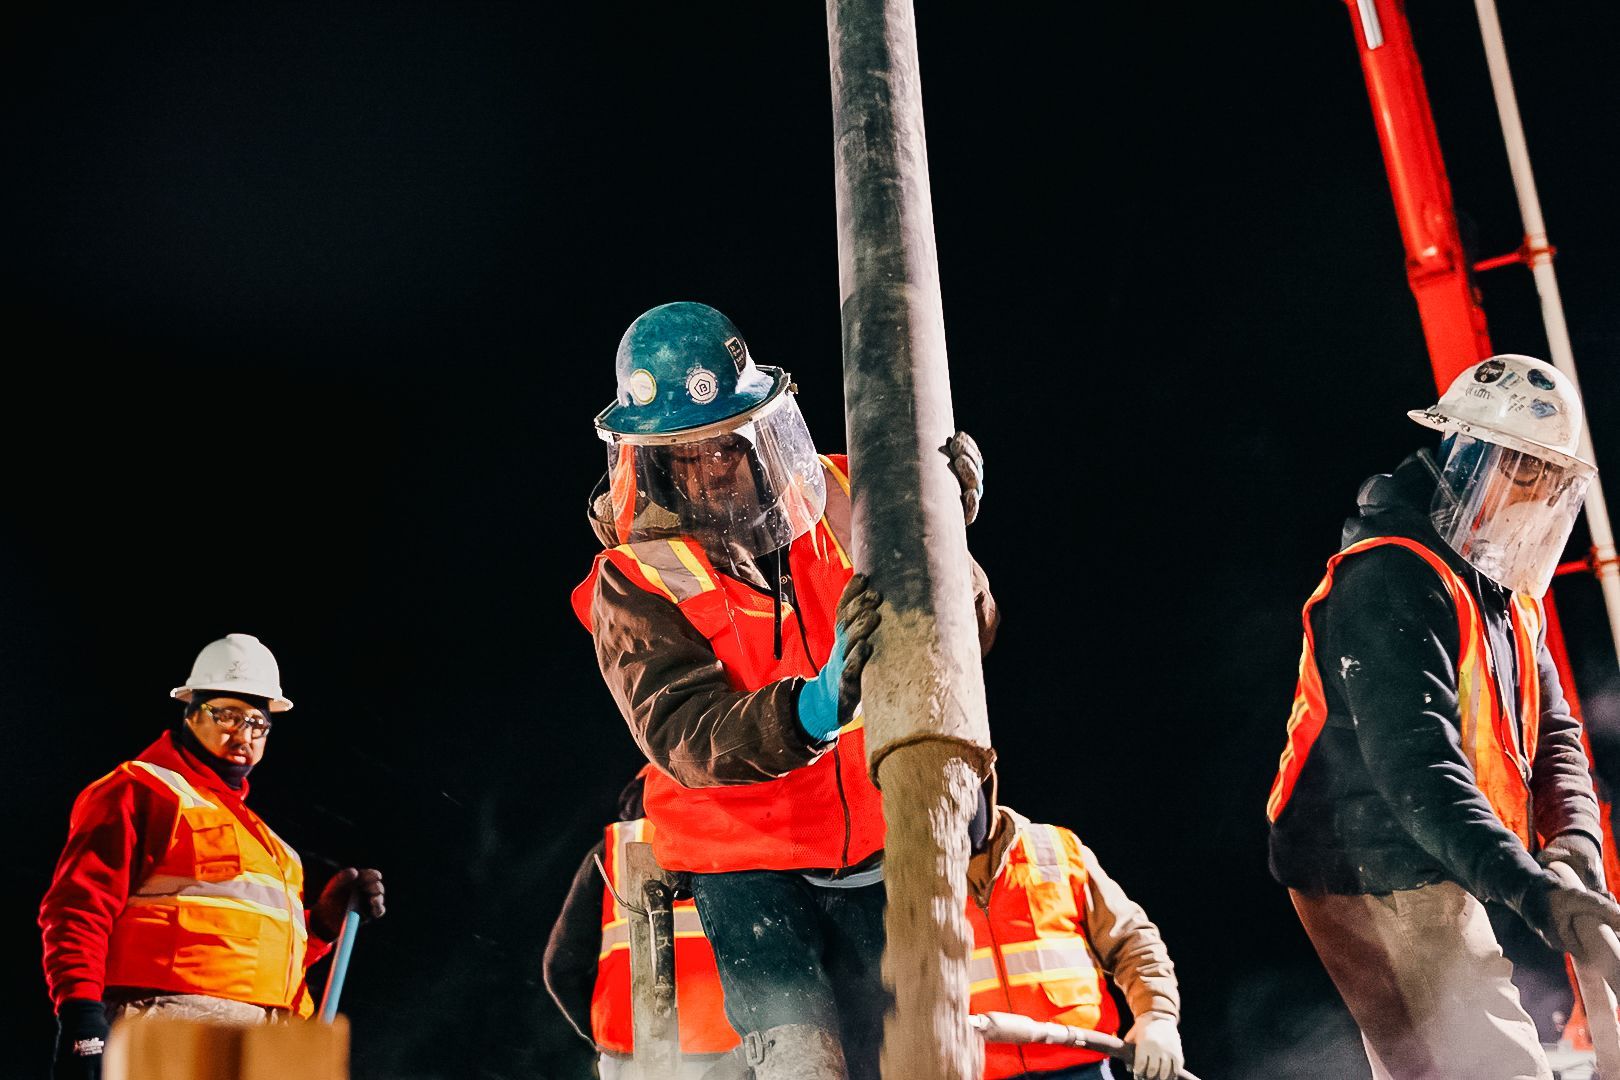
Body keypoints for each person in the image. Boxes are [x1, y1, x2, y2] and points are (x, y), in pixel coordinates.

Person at [571, 301, 997, 1079]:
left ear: (764, 433)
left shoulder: (845, 496)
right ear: (651, 461)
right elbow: (683, 730)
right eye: (684, 454)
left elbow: (960, 643)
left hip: (875, 839)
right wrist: (813, 706)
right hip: (744, 854)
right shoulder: (633, 582)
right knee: (802, 1060)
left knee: (915, 1058)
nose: (710, 470)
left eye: (727, 447)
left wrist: (941, 541)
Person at [1265, 354, 1620, 1080]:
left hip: (1437, 843)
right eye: (1532, 476)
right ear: (1477, 461)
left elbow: (1554, 737)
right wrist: (1529, 890)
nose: (1542, 500)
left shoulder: (1503, 589)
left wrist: (1576, 843)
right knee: (1487, 1063)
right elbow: (1418, 770)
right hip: (1369, 861)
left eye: (1555, 484)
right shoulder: (1389, 578)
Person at [40, 633, 387, 1080]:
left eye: (258, 723)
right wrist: (82, 1019)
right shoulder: (143, 791)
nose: (243, 734)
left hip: (261, 1040)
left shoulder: (272, 847)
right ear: (190, 711)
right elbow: (77, 910)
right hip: (169, 1028)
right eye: (227, 715)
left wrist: (318, 926)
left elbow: (240, 958)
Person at [968, 787, 1183, 1080]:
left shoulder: (1053, 849)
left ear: (983, 783)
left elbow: (1131, 941)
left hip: (1081, 1069)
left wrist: (1156, 1016)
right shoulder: (920, 885)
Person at [543, 770, 738, 1079]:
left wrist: (601, 1035)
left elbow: (561, 968)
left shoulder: (608, 856)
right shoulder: (741, 845)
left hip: (632, 1053)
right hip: (734, 1051)